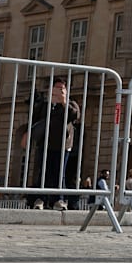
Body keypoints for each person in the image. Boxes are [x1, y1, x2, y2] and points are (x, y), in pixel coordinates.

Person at [28, 77, 80, 211]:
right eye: (56, 89)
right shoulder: (45, 105)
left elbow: (74, 116)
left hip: (63, 146)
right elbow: (35, 118)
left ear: (66, 91)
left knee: (59, 173)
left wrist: (63, 102)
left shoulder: (71, 104)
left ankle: (59, 200)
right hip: (45, 144)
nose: (58, 91)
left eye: (61, 89)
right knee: (43, 173)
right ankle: (40, 199)